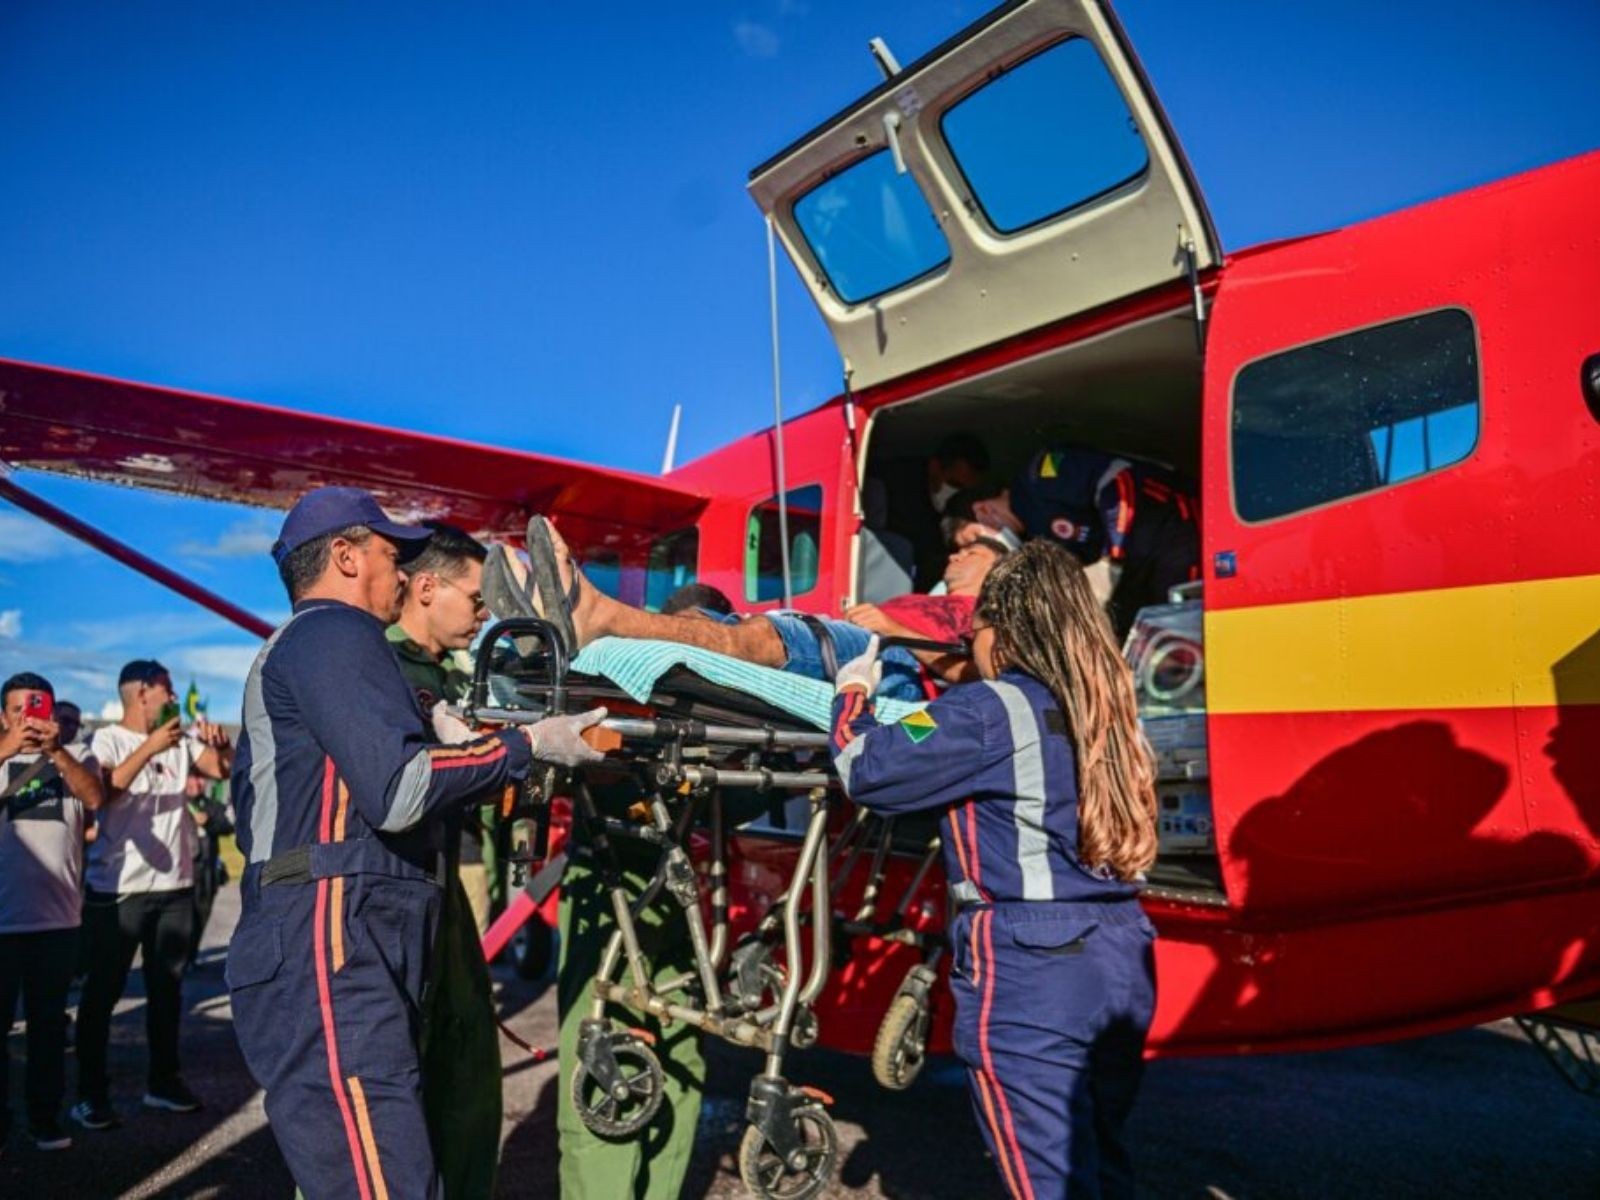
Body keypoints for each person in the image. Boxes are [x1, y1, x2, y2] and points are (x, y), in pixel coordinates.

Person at [224, 485, 606, 1200]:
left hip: (338, 938)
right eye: (388, 553)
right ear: (343, 556)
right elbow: (400, 791)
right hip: (332, 946)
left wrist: (440, 731)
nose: (403, 572)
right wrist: (526, 745)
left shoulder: (324, 648)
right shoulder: (332, 633)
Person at [828, 540, 1160, 1200]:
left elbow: (866, 765)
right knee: (1098, 1162)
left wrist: (853, 694)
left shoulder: (983, 709)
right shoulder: (1111, 711)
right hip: (1122, 953)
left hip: (1033, 968)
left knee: (1048, 1183)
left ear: (1000, 630)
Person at [496, 518, 1007, 700]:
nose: (957, 554)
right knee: (702, 620)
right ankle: (558, 619)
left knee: (762, 639)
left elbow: (977, 672)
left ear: (1001, 567)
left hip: (894, 664)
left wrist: (890, 624)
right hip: (864, 640)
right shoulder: (924, 596)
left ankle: (594, 616)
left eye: (974, 551)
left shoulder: (986, 611)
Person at [384, 518, 507, 1197]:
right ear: (426, 587)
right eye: (477, 598)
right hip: (386, 889)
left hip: (444, 886)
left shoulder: (465, 675)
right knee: (383, 1082)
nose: (484, 615)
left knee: (466, 1065)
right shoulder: (371, 663)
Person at [73, 659, 232, 1129]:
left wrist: (220, 750)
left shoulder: (178, 742)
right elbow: (103, 793)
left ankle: (163, 1083)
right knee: (103, 994)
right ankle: (90, 1094)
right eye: (166, 689)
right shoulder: (105, 740)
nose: (172, 697)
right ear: (143, 692)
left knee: (168, 992)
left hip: (174, 887)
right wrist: (149, 747)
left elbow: (219, 769)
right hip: (118, 888)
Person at [0, 672, 103, 1153]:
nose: (28, 720)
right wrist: (6, 749)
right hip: (2, 922)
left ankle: (44, 1117)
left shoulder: (76, 756)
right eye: (19, 710)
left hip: (59, 920)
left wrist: (56, 752)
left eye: (36, 710)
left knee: (47, 1029)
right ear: (3, 716)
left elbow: (95, 797)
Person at [972, 445, 1200, 637]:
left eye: (973, 538)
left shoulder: (1039, 476)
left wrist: (1111, 559)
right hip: (1140, 568)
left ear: (981, 509)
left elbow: (1119, 479)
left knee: (1182, 623)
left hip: (1174, 524)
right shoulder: (1035, 538)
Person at [871, 431, 991, 591]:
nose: (956, 493)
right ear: (934, 467)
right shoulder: (893, 492)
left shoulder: (962, 506)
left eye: (964, 490)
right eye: (953, 483)